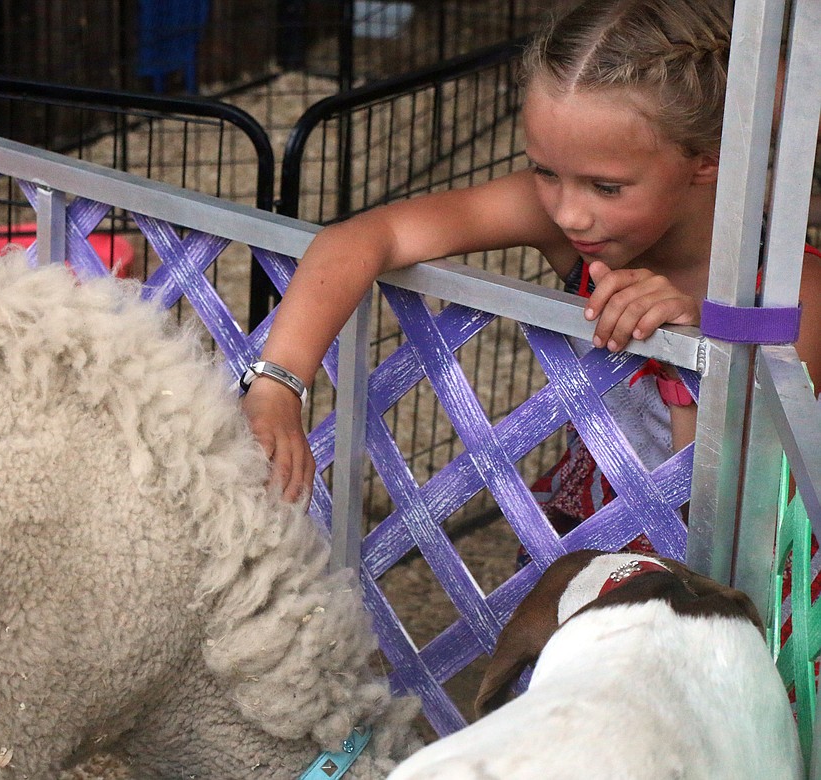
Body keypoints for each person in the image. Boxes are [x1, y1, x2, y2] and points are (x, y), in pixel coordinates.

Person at [240, 0, 821, 516]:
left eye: (606, 187)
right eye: (544, 171)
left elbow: (735, 521)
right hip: (580, 524)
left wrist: (691, 357)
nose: (568, 214)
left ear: (707, 159)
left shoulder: (795, 296)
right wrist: (277, 384)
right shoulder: (572, 220)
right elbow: (364, 237)